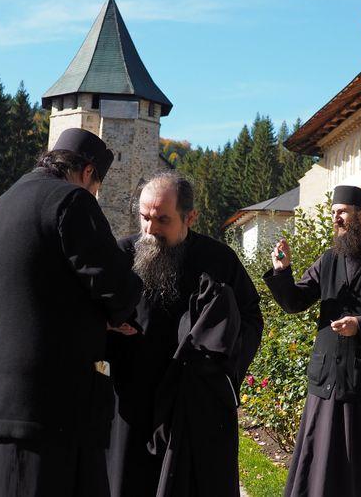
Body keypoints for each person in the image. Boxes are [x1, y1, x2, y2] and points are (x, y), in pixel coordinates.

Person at [0, 128, 142, 497]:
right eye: (96, 186)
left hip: (1, 407)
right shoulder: (72, 201)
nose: (94, 194)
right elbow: (117, 289)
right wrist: (115, 316)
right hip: (58, 411)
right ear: (88, 172)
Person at [105, 171, 263, 497]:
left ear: (190, 217)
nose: (150, 229)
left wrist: (218, 370)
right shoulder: (121, 255)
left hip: (194, 403)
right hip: (134, 397)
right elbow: (90, 314)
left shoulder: (219, 260)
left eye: (163, 220)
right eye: (144, 217)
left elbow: (250, 319)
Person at [264, 185, 361, 497]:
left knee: (355, 466)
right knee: (315, 458)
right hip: (327, 378)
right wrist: (282, 272)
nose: (335, 218)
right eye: (333, 212)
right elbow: (295, 301)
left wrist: (360, 326)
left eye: (342, 212)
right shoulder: (329, 260)